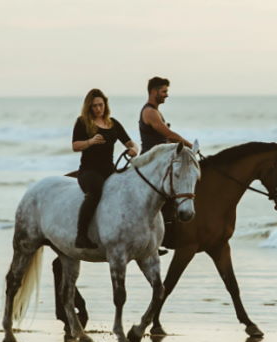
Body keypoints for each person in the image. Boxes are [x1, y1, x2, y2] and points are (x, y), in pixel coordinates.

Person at [72, 88, 139, 249]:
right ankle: (81, 236)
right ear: (89, 107)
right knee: (95, 192)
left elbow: (130, 143)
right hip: (89, 171)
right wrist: (90, 142)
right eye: (94, 106)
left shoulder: (113, 123)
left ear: (105, 105)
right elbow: (75, 146)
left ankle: (139, 236)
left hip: (109, 170)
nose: (98, 109)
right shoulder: (82, 122)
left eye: (100, 105)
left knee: (132, 191)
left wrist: (134, 150)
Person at [139, 76, 193, 153]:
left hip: (159, 158)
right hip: (152, 160)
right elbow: (170, 135)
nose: (167, 95)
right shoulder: (150, 112)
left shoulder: (156, 111)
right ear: (154, 92)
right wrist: (191, 146)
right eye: (164, 92)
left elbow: (166, 139)